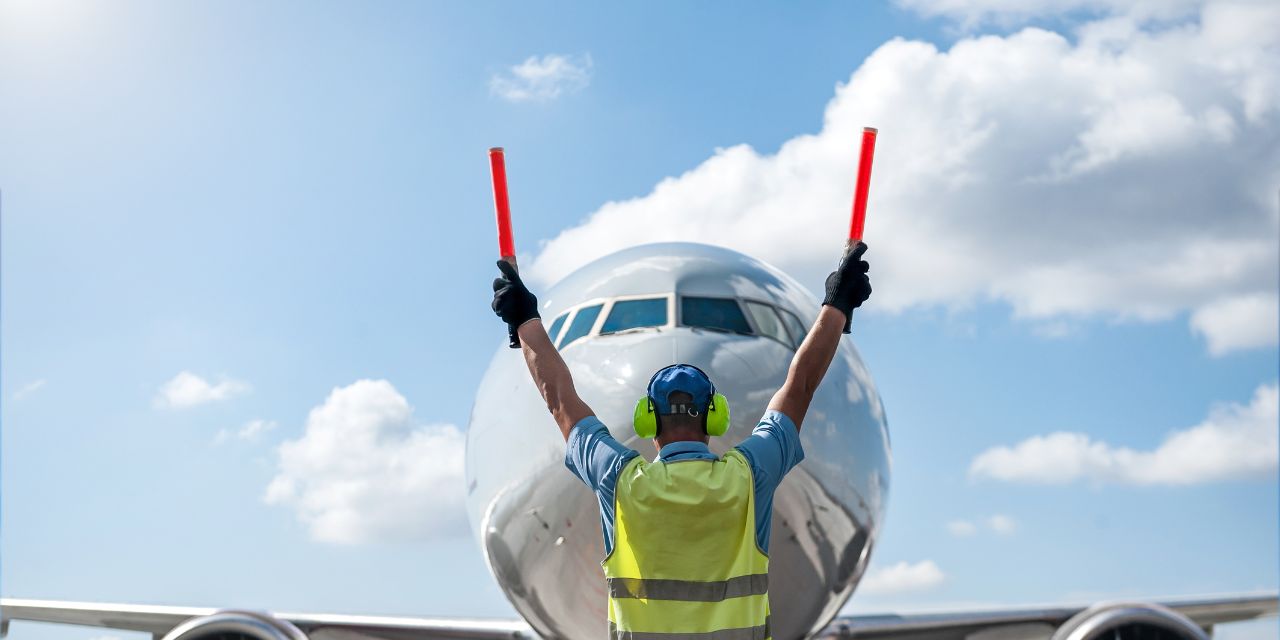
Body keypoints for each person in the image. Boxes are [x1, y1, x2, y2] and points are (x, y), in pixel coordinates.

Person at [490, 244, 872, 640]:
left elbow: (559, 399)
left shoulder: (621, 482)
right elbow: (801, 385)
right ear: (715, 416)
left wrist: (524, 319)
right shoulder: (745, 477)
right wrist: (837, 305)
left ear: (647, 419)